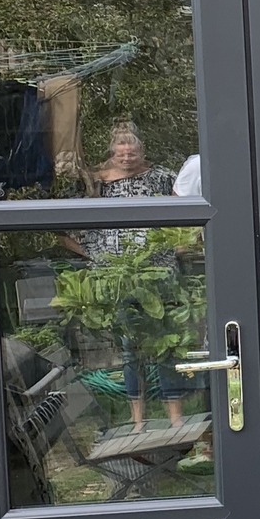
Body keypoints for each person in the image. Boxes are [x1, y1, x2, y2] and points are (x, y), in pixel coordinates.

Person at [76, 123, 195, 431]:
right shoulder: (95, 183)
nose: (127, 157)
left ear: (142, 151)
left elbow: (189, 210)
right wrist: (95, 256)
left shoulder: (162, 178)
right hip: (118, 279)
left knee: (166, 345)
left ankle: (175, 418)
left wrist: (180, 243)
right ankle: (137, 420)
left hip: (160, 275)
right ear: (111, 152)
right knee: (130, 349)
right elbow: (68, 226)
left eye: (133, 152)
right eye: (121, 152)